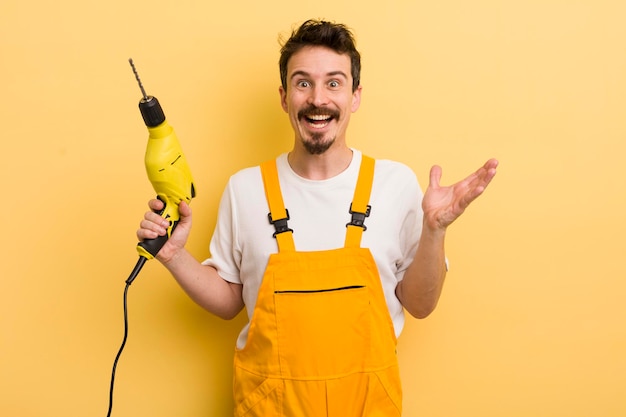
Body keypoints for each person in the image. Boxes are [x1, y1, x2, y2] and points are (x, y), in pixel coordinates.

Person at [137, 19, 498, 417]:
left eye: (334, 83)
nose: (318, 99)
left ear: (355, 96)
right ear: (284, 96)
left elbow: (420, 304)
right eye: (303, 82)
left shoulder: (394, 184)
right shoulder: (245, 189)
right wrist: (173, 255)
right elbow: (229, 301)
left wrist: (434, 230)